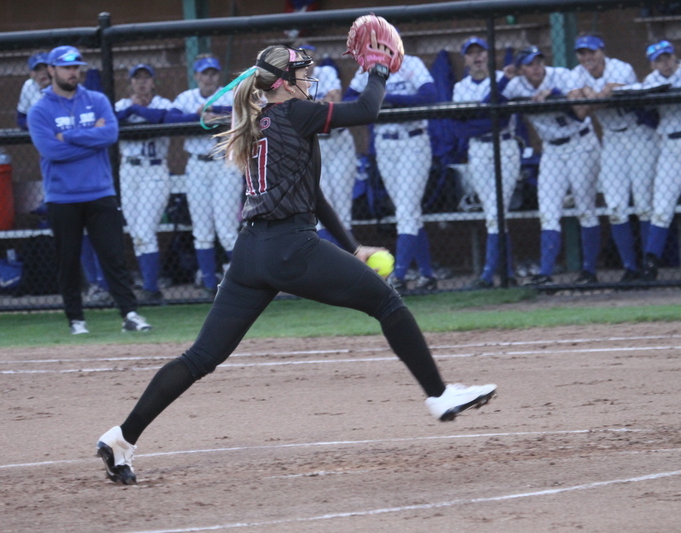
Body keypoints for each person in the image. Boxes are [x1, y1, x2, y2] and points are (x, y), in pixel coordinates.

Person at [95, 41, 496, 485]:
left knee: (201, 357)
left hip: (251, 253)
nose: (310, 81)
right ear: (282, 84)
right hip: (289, 246)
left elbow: (314, 195)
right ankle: (438, 395)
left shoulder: (257, 119)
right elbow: (366, 110)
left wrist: (352, 247)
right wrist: (379, 70)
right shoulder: (294, 112)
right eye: (303, 75)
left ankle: (121, 438)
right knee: (386, 303)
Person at [27, 45, 152, 335]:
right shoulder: (40, 110)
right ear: (51, 70)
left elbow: (109, 134)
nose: (74, 72)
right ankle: (76, 320)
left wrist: (69, 136)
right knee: (68, 261)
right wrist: (89, 140)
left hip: (100, 192)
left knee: (114, 258)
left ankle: (130, 314)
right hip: (62, 197)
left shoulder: (96, 100)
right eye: (67, 67)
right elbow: (51, 150)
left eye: (77, 67)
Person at [501, 46, 602, 286]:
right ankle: (545, 274)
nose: (536, 67)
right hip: (552, 150)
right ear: (521, 69)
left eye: (538, 62)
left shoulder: (562, 75)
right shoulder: (517, 85)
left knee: (586, 209)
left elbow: (580, 114)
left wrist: (555, 94)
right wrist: (505, 77)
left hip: (581, 143)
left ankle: (589, 272)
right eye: (529, 64)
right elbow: (493, 102)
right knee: (548, 211)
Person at [345, 50, 439, 292]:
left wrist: (389, 97)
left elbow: (430, 96)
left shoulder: (411, 64)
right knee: (409, 213)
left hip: (413, 142)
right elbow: (349, 98)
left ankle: (398, 276)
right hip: (385, 143)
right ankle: (427, 276)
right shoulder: (367, 67)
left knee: (406, 212)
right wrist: (373, 98)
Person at [571, 35, 659, 283]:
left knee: (643, 203)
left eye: (592, 52)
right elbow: (580, 112)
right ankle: (630, 268)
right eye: (582, 53)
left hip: (638, 135)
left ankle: (647, 267)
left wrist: (589, 93)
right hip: (611, 139)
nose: (587, 58)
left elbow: (607, 95)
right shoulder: (576, 72)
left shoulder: (621, 67)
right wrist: (591, 95)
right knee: (615, 206)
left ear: (602, 51)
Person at [166, 55, 242, 298]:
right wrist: (199, 117)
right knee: (202, 230)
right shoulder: (186, 98)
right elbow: (169, 119)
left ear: (218, 75)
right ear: (196, 75)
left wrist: (214, 112)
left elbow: (244, 113)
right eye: (204, 73)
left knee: (227, 229)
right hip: (197, 166)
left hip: (224, 165)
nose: (209, 77)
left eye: (213, 73)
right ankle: (209, 284)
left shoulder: (228, 93)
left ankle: (244, 283)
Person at [453, 37, 521, 288]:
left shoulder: (504, 79)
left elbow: (502, 121)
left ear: (488, 55)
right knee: (494, 213)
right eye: (471, 53)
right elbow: (460, 126)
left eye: (480, 51)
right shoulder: (461, 88)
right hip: (478, 150)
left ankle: (488, 274)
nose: (476, 56)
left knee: (496, 212)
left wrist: (477, 116)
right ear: (465, 59)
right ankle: (508, 272)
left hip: (505, 146)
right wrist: (485, 115)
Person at [114, 63, 173, 303]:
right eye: (137, 78)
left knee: (145, 231)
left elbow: (163, 118)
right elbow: (113, 122)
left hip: (155, 171)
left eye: (146, 78)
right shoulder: (120, 106)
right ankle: (149, 286)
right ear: (130, 82)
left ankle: (151, 288)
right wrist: (131, 111)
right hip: (129, 171)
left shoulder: (163, 103)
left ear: (153, 82)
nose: (141, 82)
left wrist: (137, 113)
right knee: (137, 233)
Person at [299, 43, 358, 248]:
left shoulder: (327, 71)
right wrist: (320, 103)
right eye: (302, 57)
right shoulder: (294, 82)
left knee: (342, 207)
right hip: (315, 146)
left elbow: (335, 99)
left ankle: (348, 264)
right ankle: (331, 263)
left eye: (310, 56)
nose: (307, 61)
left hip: (339, 143)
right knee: (321, 208)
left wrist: (313, 105)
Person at [640, 40, 681, 281]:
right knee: (662, 207)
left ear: (674, 56)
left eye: (667, 57)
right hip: (668, 146)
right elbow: (646, 115)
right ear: (653, 63)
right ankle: (651, 262)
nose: (664, 63)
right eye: (658, 60)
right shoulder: (651, 81)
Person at [16, 52, 51, 130]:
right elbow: (21, 118)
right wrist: (31, 124)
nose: (43, 73)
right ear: (32, 74)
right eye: (38, 70)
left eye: (45, 68)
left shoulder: (60, 84)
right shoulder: (29, 85)